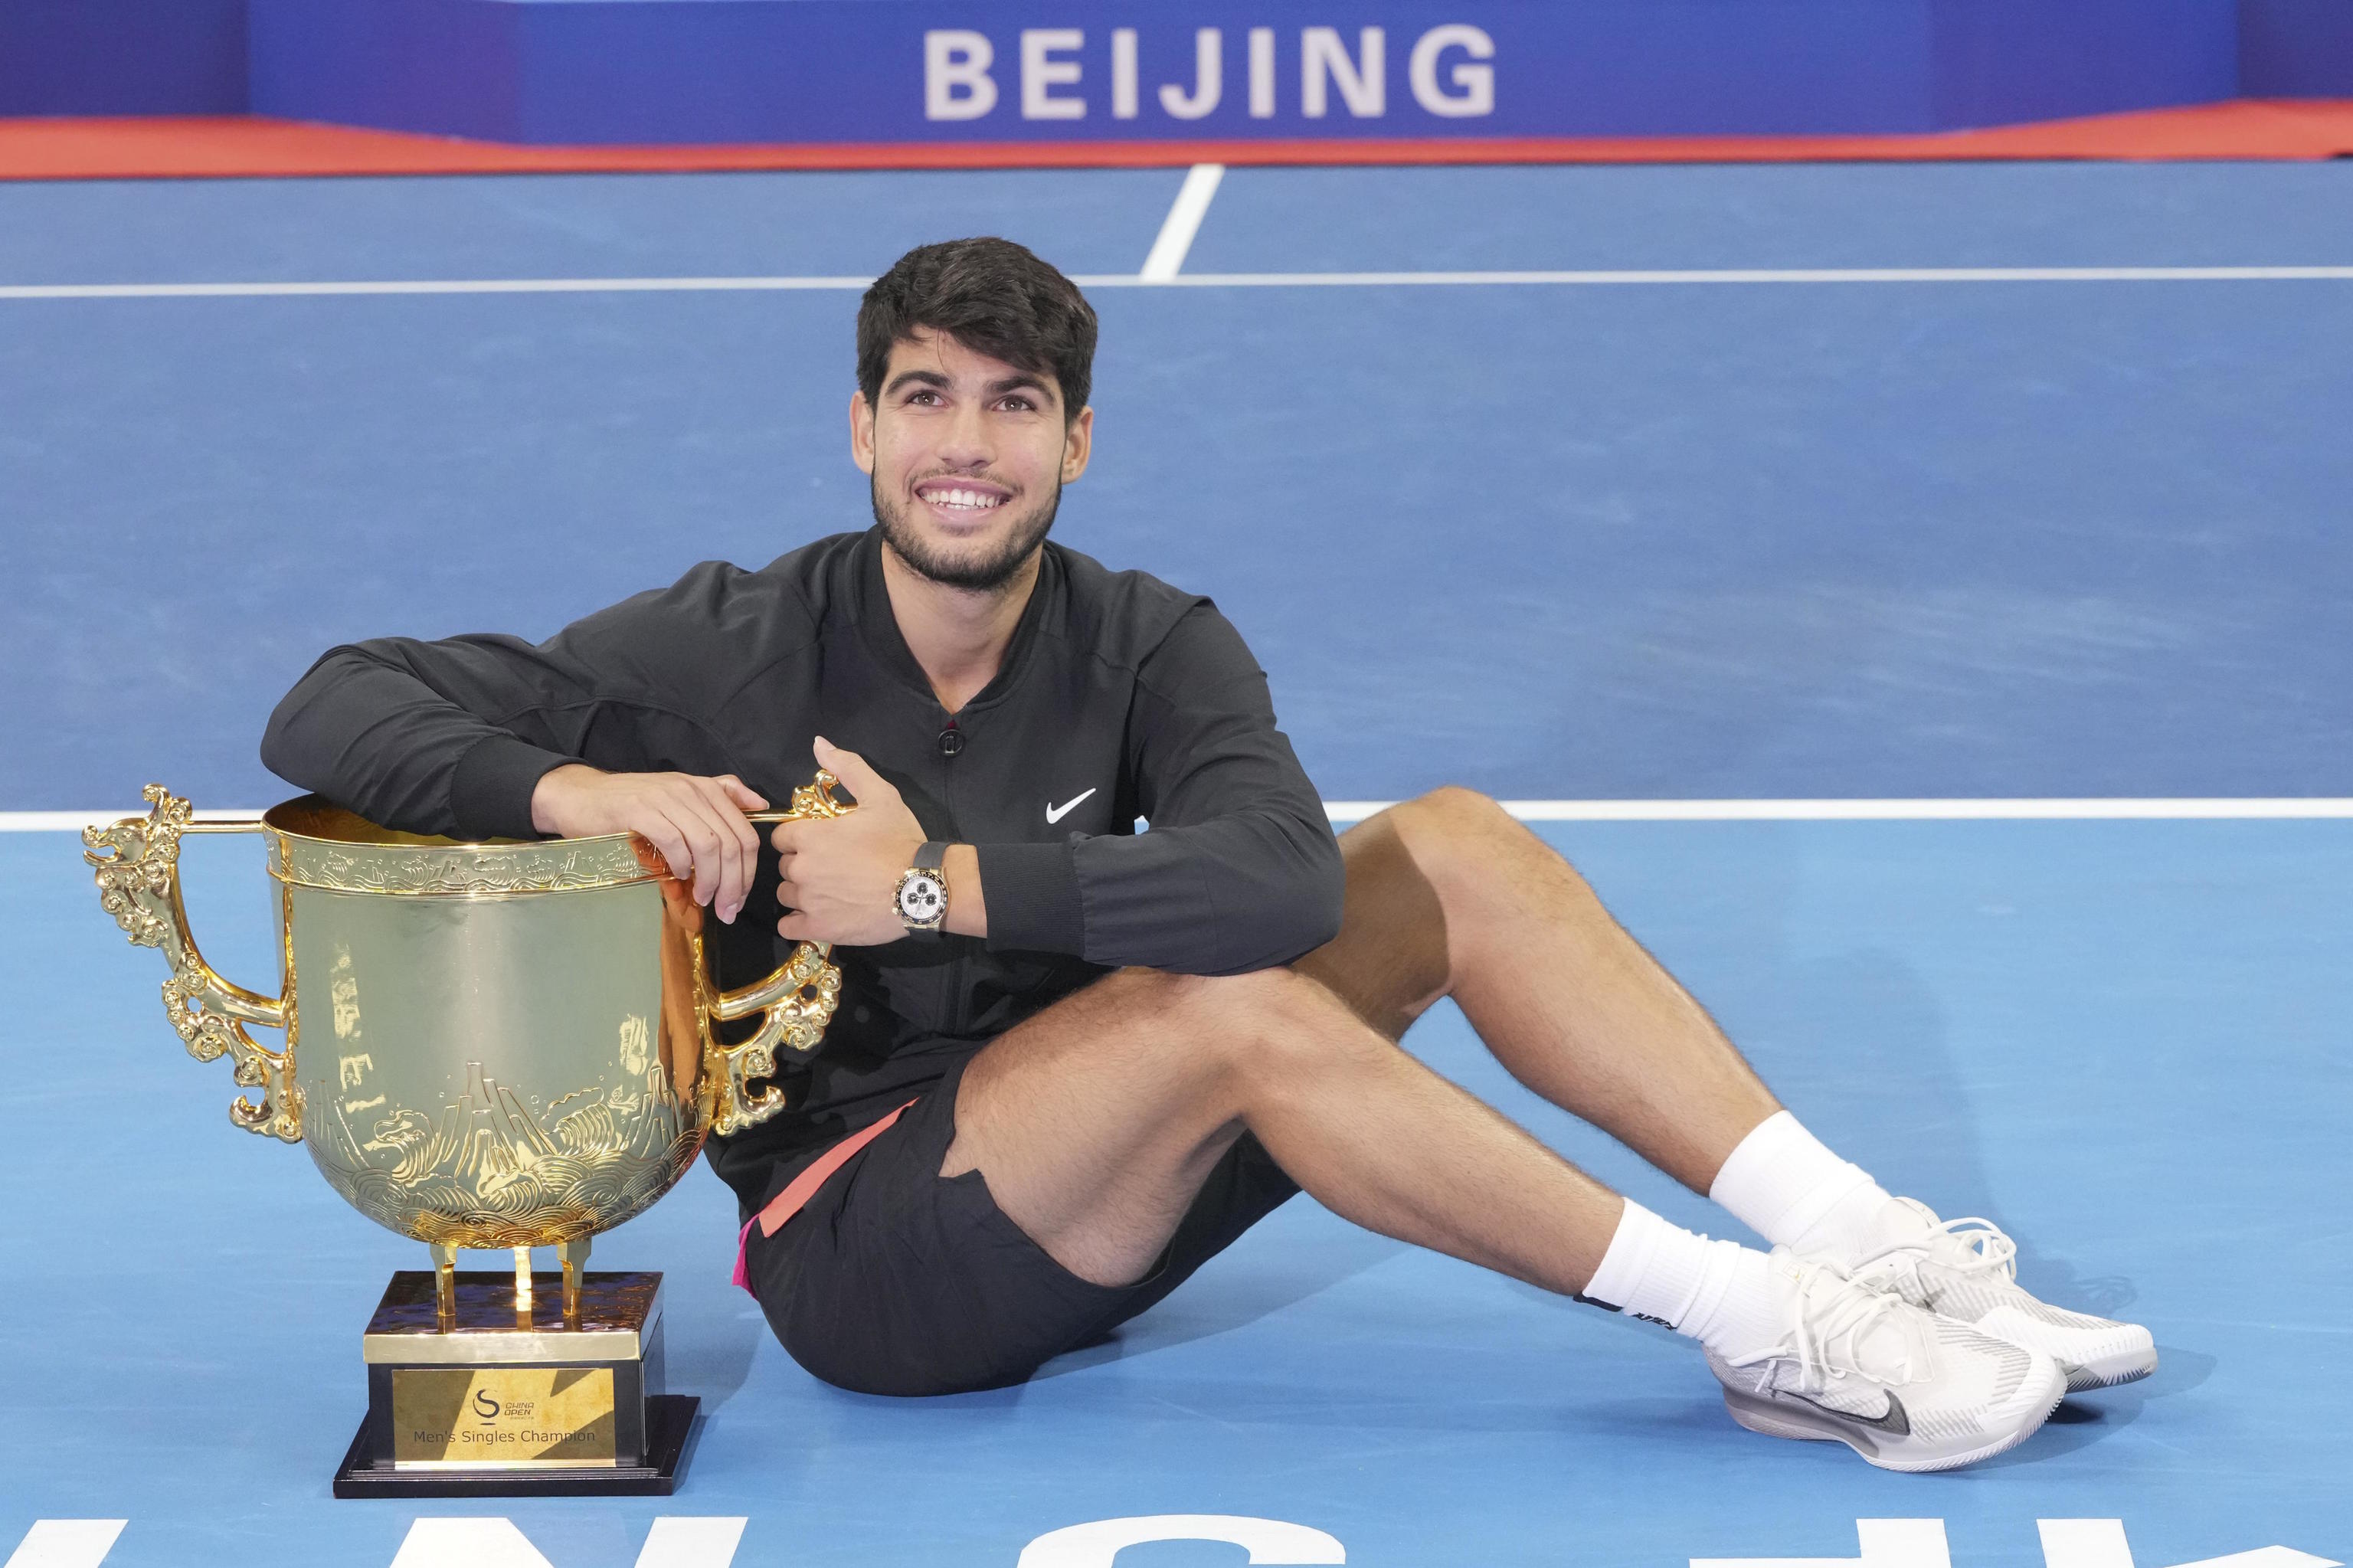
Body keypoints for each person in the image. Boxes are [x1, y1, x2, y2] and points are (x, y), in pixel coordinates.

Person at [261, 236, 2152, 1474]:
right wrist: (576, 793)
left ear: (1076, 441)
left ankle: (1870, 1248)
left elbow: (1285, 887)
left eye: (1013, 405)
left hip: (1128, 1146)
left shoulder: (1153, 636)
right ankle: (1781, 1334)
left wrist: (932, 888)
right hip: (869, 1245)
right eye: (926, 397)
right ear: (862, 428)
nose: (966, 447)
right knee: (1219, 1017)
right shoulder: (720, 643)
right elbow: (330, 701)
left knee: (1458, 850)